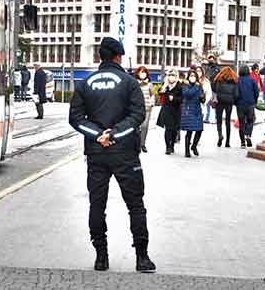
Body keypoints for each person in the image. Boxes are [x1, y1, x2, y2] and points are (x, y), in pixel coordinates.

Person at [68, 37, 156, 273]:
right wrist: (114, 134)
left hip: (96, 153)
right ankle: (142, 257)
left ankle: (101, 257)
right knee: (135, 205)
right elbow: (138, 115)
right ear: (119, 56)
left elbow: (75, 119)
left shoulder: (86, 83)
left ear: (100, 57)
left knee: (97, 205)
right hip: (125, 152)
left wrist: (98, 135)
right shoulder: (129, 82)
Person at [157, 69, 182, 155]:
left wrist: (174, 99)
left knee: (174, 130)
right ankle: (167, 147)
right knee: (168, 129)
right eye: (170, 75)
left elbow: (182, 99)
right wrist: (162, 89)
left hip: (176, 110)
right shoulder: (165, 85)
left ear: (176, 77)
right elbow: (159, 92)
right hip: (166, 110)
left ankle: (172, 145)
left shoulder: (179, 86)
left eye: (173, 75)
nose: (171, 77)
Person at [180, 69, 205, 157]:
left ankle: (194, 146)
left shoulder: (199, 86)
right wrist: (196, 87)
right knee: (189, 131)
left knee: (199, 130)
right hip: (188, 110)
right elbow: (187, 94)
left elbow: (202, 97)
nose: (193, 78)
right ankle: (187, 150)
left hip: (197, 110)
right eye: (191, 76)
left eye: (194, 76)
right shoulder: (185, 85)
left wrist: (202, 97)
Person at [212, 67, 238, 148]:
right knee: (227, 121)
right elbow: (236, 94)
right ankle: (227, 141)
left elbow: (214, 89)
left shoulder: (218, 79)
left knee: (219, 120)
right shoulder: (234, 81)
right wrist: (234, 100)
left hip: (220, 102)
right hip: (229, 102)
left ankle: (220, 135)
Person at [236, 65, 259, 148]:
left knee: (241, 123)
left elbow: (235, 93)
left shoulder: (237, 80)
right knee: (250, 121)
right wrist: (255, 101)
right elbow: (256, 92)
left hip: (240, 104)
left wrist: (235, 102)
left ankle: (242, 143)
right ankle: (248, 135)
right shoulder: (252, 80)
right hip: (250, 104)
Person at [135, 66, 155, 153]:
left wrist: (151, 103)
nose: (143, 74)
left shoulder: (149, 84)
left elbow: (152, 95)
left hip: (147, 108)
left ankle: (142, 144)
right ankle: (137, 144)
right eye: (141, 72)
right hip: (137, 108)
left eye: (144, 72)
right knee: (136, 126)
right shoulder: (135, 83)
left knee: (144, 126)